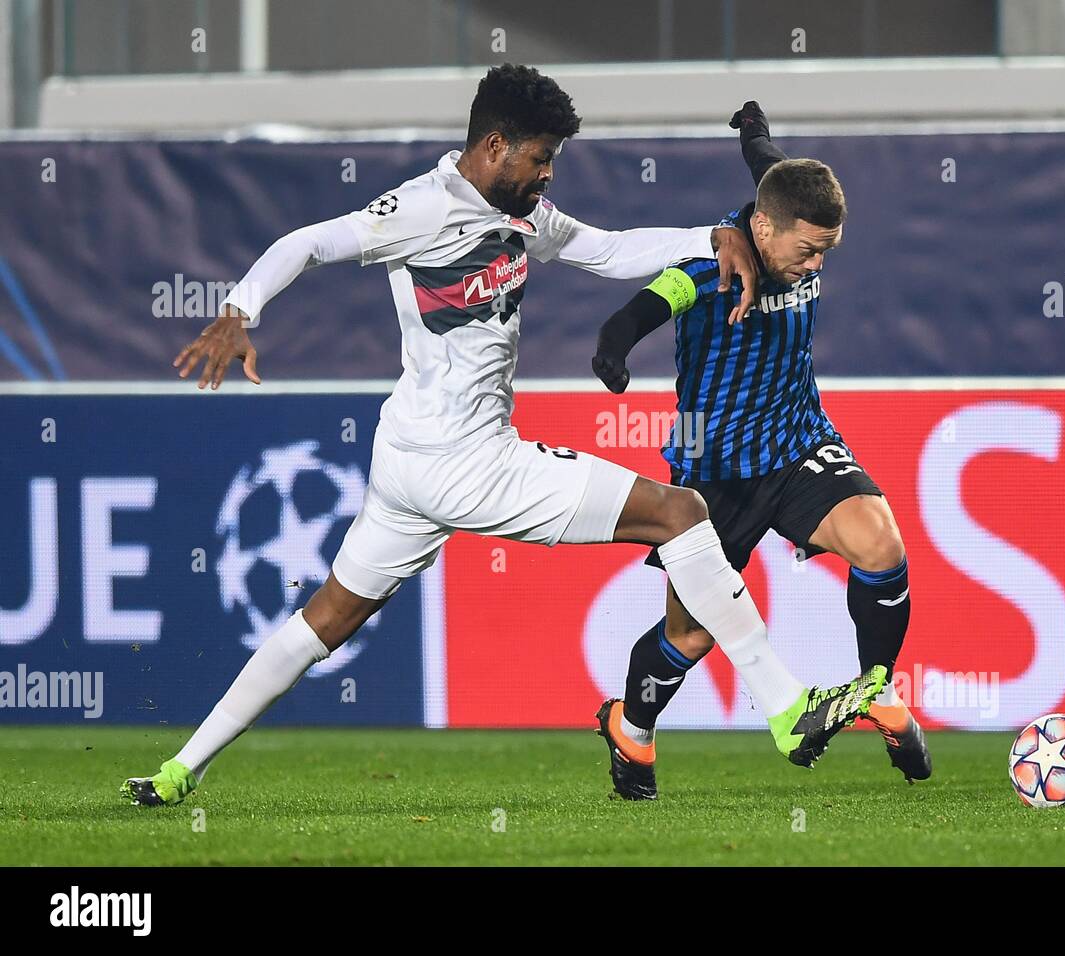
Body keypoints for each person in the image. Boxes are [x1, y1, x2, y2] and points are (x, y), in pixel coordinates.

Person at [122, 71, 883, 808]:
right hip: (469, 460)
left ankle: (179, 770)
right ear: (494, 145)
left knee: (325, 617)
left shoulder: (521, 211)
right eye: (540, 157)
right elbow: (308, 243)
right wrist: (238, 308)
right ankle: (786, 708)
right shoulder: (417, 209)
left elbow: (608, 250)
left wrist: (712, 233)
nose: (548, 173)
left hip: (406, 462)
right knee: (683, 512)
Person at [590, 102, 929, 801]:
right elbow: (640, 310)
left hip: (799, 440)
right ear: (763, 227)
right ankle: (632, 726)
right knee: (690, 638)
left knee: (882, 546)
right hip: (713, 472)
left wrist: (749, 129)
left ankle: (878, 693)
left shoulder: (786, 204)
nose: (815, 264)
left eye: (826, 254)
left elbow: (767, 161)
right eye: (807, 251)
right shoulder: (707, 265)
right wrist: (613, 351)